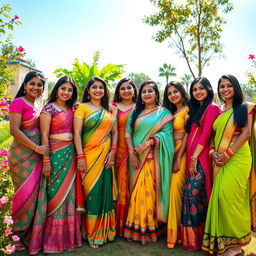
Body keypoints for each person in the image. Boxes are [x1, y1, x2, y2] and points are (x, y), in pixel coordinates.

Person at [202, 74, 255, 256]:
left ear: (235, 88)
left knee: (232, 198)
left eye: (228, 86)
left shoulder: (245, 107)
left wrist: (227, 154)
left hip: (238, 158)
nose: (225, 89)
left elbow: (246, 133)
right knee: (220, 199)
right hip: (219, 158)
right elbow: (211, 135)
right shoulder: (219, 110)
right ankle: (224, 242)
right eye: (222, 86)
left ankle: (236, 246)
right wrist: (211, 152)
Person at [29, 76, 82, 254]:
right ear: (57, 89)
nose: (66, 92)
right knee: (53, 196)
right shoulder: (48, 109)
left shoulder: (73, 109)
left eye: (69, 90)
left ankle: (67, 238)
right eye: (63, 89)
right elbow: (44, 136)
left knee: (69, 195)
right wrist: (46, 161)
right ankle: (51, 240)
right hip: (54, 155)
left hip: (70, 156)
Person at [123, 80, 174, 245]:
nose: (147, 94)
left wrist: (150, 141)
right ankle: (136, 228)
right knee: (136, 192)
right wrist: (131, 153)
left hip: (153, 159)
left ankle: (148, 228)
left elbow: (167, 134)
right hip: (135, 158)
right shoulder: (136, 111)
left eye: (150, 91)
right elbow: (128, 133)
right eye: (144, 91)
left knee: (147, 193)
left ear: (156, 93)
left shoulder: (164, 113)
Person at [74, 76, 118, 248]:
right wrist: (80, 156)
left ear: (105, 90)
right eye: (94, 87)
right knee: (91, 195)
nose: (98, 90)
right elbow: (77, 134)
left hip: (106, 157)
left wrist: (113, 151)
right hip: (88, 157)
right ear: (88, 90)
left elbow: (114, 132)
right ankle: (91, 233)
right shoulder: (82, 108)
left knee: (102, 193)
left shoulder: (110, 109)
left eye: (101, 87)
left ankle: (105, 231)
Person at [8, 71, 49, 250]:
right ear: (24, 85)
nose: (36, 87)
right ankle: (14, 235)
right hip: (21, 156)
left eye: (39, 85)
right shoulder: (18, 103)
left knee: (34, 196)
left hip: (37, 157)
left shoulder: (40, 105)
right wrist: (36, 148)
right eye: (32, 83)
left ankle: (29, 234)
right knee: (23, 195)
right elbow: (14, 131)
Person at [182, 77, 220, 251]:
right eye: (194, 89)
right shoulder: (197, 109)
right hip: (192, 156)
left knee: (193, 194)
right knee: (194, 196)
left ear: (209, 89)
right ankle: (194, 240)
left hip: (201, 158)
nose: (198, 92)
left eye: (201, 88)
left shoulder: (212, 108)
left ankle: (198, 239)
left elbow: (205, 135)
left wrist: (194, 158)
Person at [163, 81, 189, 248]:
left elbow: (187, 134)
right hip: (169, 153)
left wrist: (179, 157)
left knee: (175, 192)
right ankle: (172, 231)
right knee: (169, 191)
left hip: (181, 152)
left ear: (182, 92)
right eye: (169, 93)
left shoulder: (188, 109)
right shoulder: (171, 111)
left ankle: (177, 235)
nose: (173, 95)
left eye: (175, 92)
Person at [112, 78, 137, 236]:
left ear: (134, 90)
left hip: (138, 150)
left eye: (129, 88)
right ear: (118, 91)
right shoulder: (112, 107)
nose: (126, 91)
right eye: (123, 88)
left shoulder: (141, 107)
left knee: (135, 185)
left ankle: (134, 221)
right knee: (120, 186)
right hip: (118, 151)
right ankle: (119, 225)